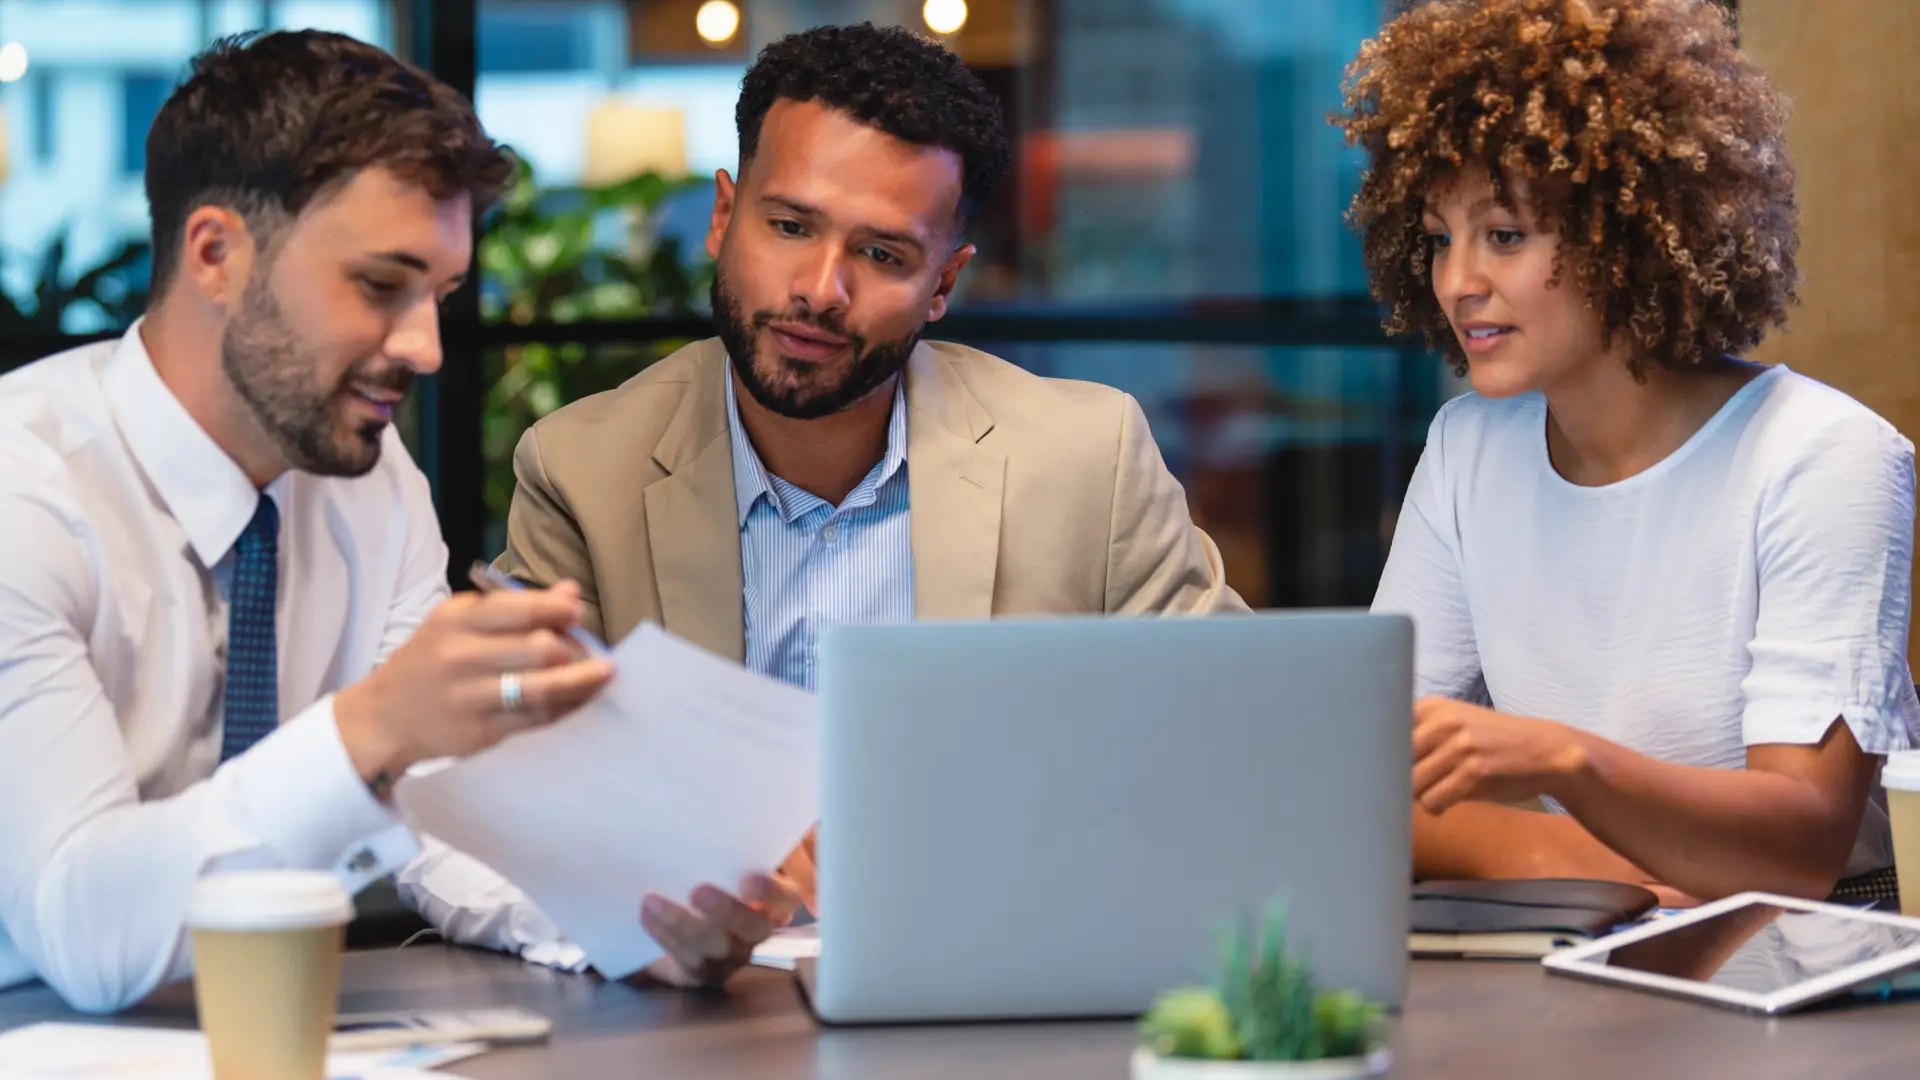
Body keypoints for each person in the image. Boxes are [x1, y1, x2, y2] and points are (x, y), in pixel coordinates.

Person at [398, 21, 1246, 988]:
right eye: (789, 226)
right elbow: (513, 800)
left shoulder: (1085, 457)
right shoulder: (586, 468)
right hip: (699, 1013)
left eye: (884, 255)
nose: (819, 291)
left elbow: (1232, 745)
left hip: (1003, 984)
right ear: (724, 218)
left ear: (943, 285)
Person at [0, 31, 613, 1013]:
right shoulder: (20, 494)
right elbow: (85, 927)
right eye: (380, 286)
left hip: (286, 1017)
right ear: (216, 256)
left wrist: (635, 914)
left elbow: (439, 805)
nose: (425, 349)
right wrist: (371, 727)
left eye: (442, 297)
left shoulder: (369, 480)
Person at [1335, 0, 1919, 907]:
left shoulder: (1822, 456)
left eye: (1505, 234)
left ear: (1630, 230)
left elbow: (1800, 847)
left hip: (1809, 970)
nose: (1458, 282)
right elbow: (1367, 788)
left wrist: (1569, 763)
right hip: (1589, 935)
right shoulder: (1466, 452)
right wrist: (1636, 878)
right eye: (1442, 238)